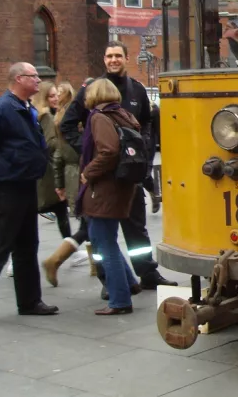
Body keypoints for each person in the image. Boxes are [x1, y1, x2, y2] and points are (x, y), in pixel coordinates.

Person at [59, 44, 176, 297]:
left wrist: (143, 147)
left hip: (131, 172)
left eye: (118, 56)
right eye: (109, 55)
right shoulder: (93, 89)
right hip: (103, 177)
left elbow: (146, 121)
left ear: (126, 58)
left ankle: (147, 273)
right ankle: (108, 279)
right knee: (100, 233)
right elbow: (68, 124)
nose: (113, 60)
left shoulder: (137, 89)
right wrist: (88, 150)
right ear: (104, 59)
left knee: (136, 226)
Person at [0, 62, 59, 328]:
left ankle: (29, 301)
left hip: (27, 184)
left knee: (28, 244)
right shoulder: (0, 109)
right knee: (0, 246)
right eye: (33, 76)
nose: (39, 80)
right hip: (8, 186)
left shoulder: (26, 108)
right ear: (18, 79)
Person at [78, 79, 143, 315]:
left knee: (103, 243)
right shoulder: (123, 115)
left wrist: (88, 172)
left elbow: (109, 151)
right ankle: (129, 283)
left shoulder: (98, 117)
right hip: (120, 186)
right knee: (107, 239)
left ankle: (119, 299)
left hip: (104, 190)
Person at [43, 82, 95, 286]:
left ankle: (94, 266)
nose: (56, 98)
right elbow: (60, 152)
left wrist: (59, 182)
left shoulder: (60, 119)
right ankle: (55, 260)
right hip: (80, 175)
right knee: (89, 225)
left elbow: (58, 155)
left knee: (88, 224)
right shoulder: (73, 123)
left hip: (71, 175)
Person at [34, 81, 71, 239]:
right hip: (49, 171)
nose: (56, 98)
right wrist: (63, 142)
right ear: (44, 97)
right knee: (60, 207)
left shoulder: (38, 113)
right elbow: (51, 143)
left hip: (42, 170)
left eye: (57, 94)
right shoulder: (47, 116)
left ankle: (70, 246)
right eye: (52, 96)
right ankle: (71, 247)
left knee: (60, 210)